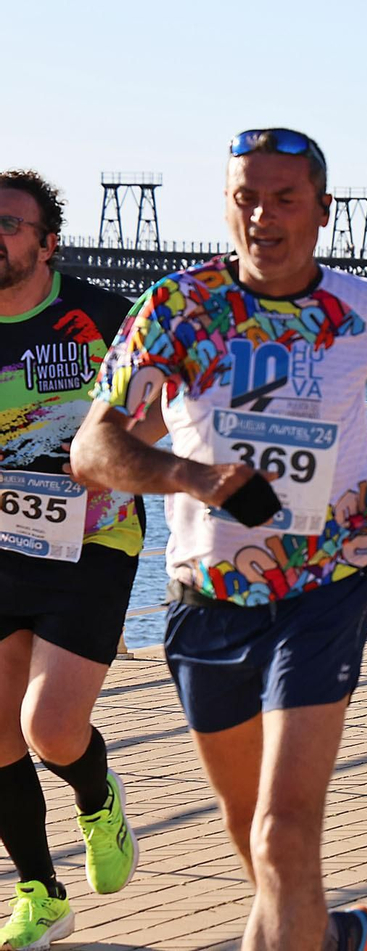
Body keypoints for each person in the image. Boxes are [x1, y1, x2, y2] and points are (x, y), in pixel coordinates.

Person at [71, 129, 367, 951]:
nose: (263, 215)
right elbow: (93, 448)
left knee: (284, 830)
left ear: (322, 209)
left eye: (284, 198)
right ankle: (325, 934)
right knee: (252, 834)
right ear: (225, 205)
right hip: (205, 601)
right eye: (246, 196)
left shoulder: (366, 310)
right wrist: (196, 477)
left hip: (327, 586)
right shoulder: (178, 309)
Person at [0, 172, 150, 951]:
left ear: (46, 240)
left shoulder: (97, 315)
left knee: (50, 728)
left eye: (9, 224)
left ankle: (96, 796)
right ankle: (40, 894)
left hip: (92, 539)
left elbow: (159, 398)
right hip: (1, 541)